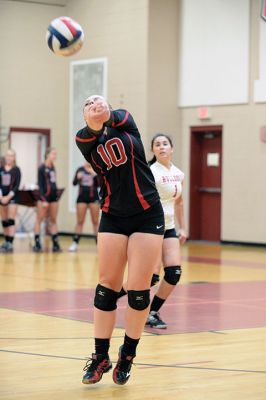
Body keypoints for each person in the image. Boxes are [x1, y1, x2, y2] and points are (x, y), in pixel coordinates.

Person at [75, 95, 164, 385]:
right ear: (84, 113)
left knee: (139, 291)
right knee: (106, 288)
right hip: (113, 214)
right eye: (88, 103)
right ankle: (101, 356)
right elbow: (90, 130)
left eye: (98, 99)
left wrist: (104, 109)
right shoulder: (83, 139)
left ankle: (127, 355)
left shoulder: (126, 122)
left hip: (147, 213)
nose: (95, 103)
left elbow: (111, 115)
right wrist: (93, 117)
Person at [117, 133, 187, 329]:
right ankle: (112, 296)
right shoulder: (149, 172)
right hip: (151, 228)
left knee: (174, 273)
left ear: (172, 148)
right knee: (150, 276)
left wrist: (183, 227)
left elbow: (179, 202)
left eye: (165, 143)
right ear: (153, 150)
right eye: (157, 144)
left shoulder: (178, 173)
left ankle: (152, 312)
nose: (162, 147)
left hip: (169, 227)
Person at [32, 147, 61, 252]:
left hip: (53, 197)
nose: (55, 156)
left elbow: (53, 183)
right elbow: (40, 185)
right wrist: (43, 199)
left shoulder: (53, 167)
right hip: (44, 198)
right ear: (47, 154)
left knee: (53, 220)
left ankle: (56, 244)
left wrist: (56, 195)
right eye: (53, 154)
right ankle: (37, 243)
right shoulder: (41, 168)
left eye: (55, 154)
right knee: (39, 219)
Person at [69, 162, 100, 251]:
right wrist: (77, 177)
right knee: (80, 221)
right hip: (82, 198)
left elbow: (101, 184)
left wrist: (95, 175)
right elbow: (74, 183)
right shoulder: (80, 169)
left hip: (93, 198)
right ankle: (75, 243)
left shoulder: (95, 169)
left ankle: (99, 244)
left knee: (95, 222)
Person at [0, 149, 21, 253]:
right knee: (4, 221)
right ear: (5, 157)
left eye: (11, 155)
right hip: (1, 198)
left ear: (14, 157)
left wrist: (8, 197)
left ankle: (10, 243)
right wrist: (1, 197)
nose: (9, 157)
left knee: (10, 220)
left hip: (12, 198)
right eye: (8, 155)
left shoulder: (16, 170)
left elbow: (17, 185)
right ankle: (6, 241)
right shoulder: (1, 169)